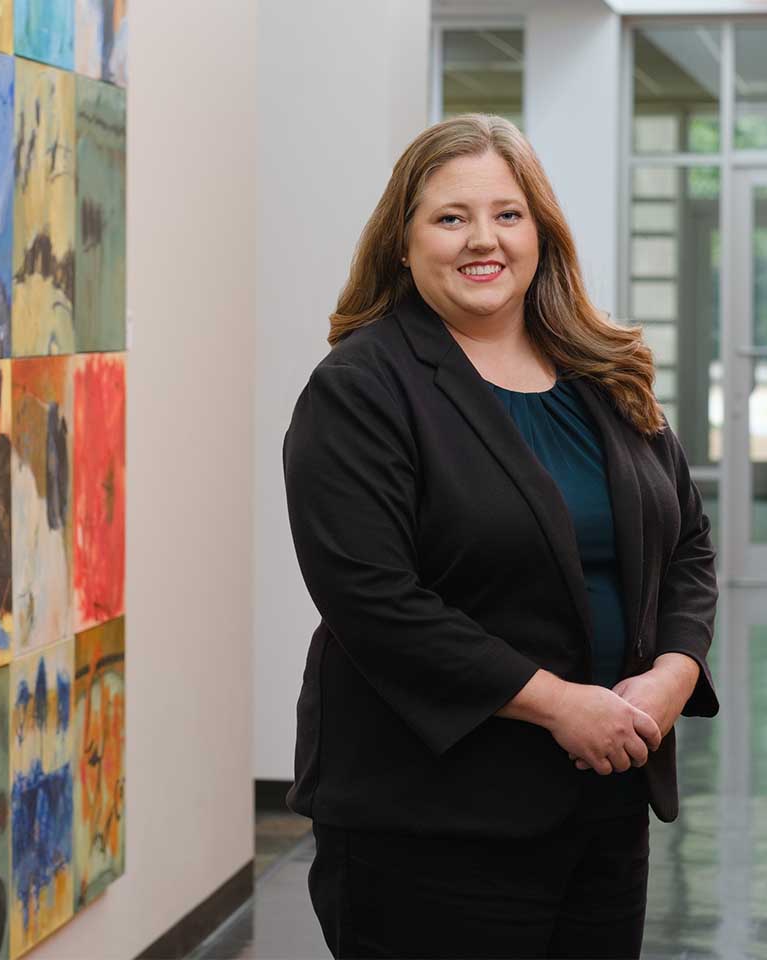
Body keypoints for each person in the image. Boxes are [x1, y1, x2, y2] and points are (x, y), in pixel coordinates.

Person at [281, 113, 719, 960]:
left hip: (605, 809)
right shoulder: (362, 389)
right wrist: (560, 706)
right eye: (450, 218)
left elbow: (689, 545)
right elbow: (374, 600)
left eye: (508, 214)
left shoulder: (604, 373)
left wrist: (675, 672)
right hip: (431, 822)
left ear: (542, 233)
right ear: (402, 243)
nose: (483, 240)